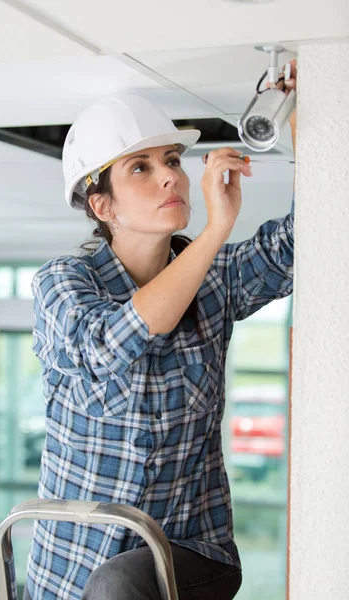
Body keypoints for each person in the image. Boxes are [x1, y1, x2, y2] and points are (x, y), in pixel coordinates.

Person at [24, 59, 297, 600]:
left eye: (171, 159)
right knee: (108, 584)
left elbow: (310, 235)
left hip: (184, 555)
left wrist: (308, 126)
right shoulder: (62, 284)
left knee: (120, 582)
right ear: (103, 206)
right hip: (67, 575)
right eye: (141, 168)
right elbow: (107, 344)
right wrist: (215, 233)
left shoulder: (216, 279)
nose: (171, 174)